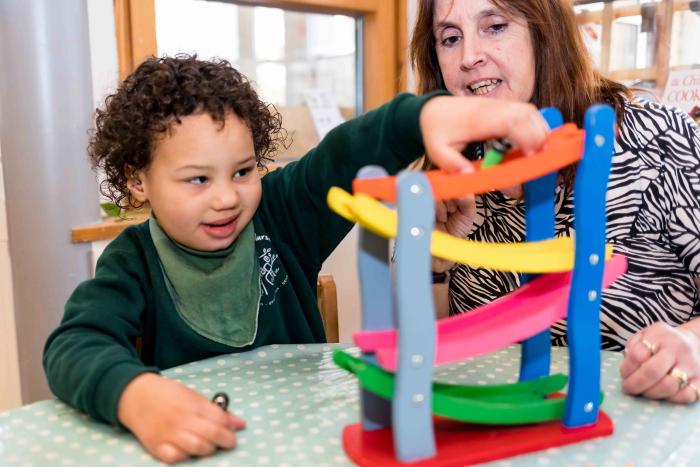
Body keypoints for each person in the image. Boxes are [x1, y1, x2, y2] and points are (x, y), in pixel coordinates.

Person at [43, 54, 549, 464]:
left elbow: (343, 153)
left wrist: (421, 117)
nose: (227, 198)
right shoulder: (131, 261)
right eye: (198, 179)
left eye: (243, 172)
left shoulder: (282, 214)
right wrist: (135, 395)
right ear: (138, 180)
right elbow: (74, 344)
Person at [410, 0, 700, 405]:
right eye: (450, 38)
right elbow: (434, 354)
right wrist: (433, 262)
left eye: (494, 26)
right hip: (498, 428)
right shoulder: (450, 166)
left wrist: (691, 343)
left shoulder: (658, 138)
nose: (469, 56)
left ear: (546, 33)